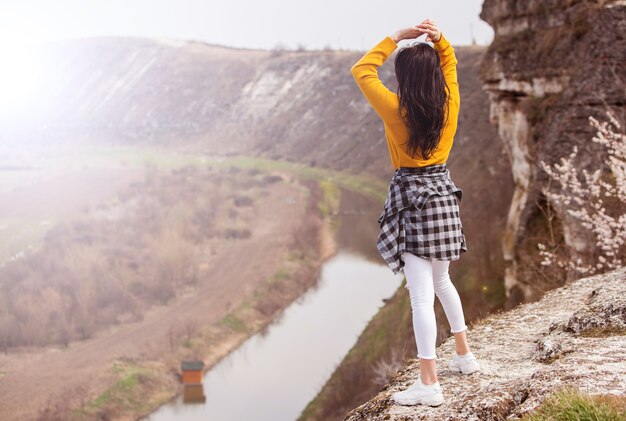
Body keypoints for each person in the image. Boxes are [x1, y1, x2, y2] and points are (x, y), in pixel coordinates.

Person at [350, 19, 480, 407]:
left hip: (411, 199)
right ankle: (464, 356)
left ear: (404, 79)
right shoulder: (450, 105)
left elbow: (362, 69)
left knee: (421, 297)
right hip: (443, 197)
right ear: (435, 75)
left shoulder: (395, 109)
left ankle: (429, 383)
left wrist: (395, 37)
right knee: (443, 283)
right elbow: (452, 66)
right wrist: (440, 42)